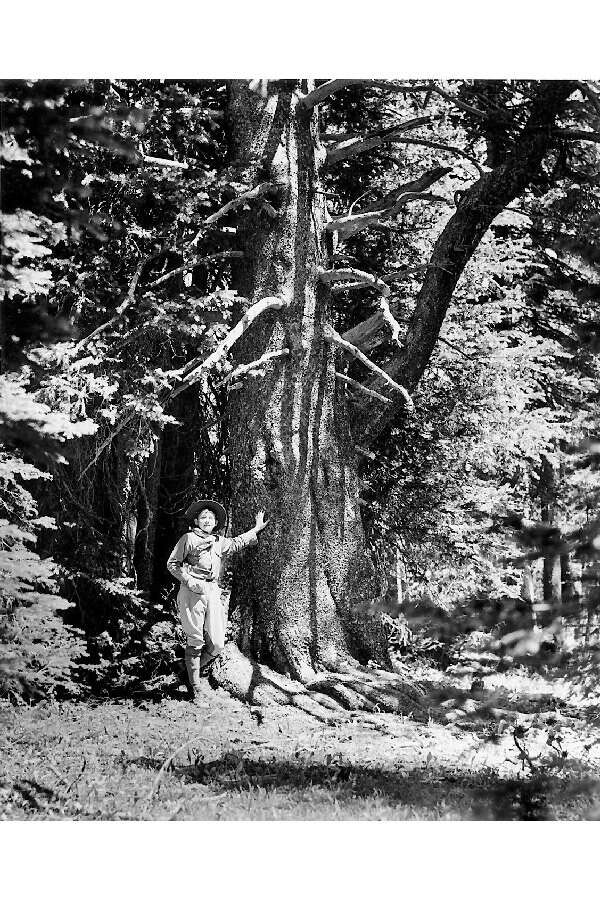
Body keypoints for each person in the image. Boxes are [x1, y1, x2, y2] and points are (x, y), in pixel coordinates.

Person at [167, 499, 269, 702]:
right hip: (191, 592)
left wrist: (256, 529)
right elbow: (172, 564)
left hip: (212, 591)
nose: (207, 520)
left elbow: (238, 542)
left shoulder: (219, 541)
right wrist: (188, 580)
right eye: (203, 517)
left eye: (211, 517)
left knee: (217, 643)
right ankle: (195, 688)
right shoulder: (188, 539)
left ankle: (184, 668)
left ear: (215, 523)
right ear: (196, 520)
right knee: (195, 639)